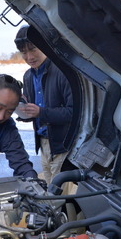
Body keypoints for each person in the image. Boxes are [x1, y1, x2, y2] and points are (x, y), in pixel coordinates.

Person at [14, 25, 73, 184]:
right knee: (51, 193)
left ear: (45, 45)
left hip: (63, 146)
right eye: (24, 52)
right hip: (43, 144)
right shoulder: (28, 76)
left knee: (60, 198)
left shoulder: (63, 72)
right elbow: (33, 114)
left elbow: (73, 113)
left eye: (33, 49)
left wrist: (41, 112)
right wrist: (22, 110)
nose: (29, 56)